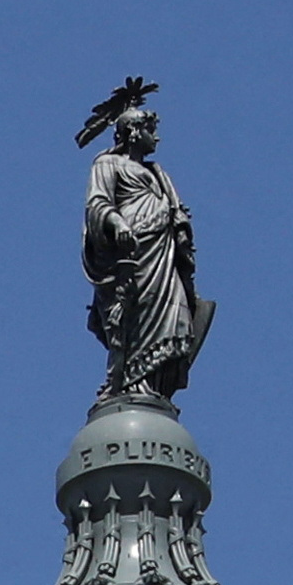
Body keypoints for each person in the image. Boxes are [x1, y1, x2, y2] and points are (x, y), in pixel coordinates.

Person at [76, 76, 214, 402]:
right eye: (152, 129)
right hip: (133, 253)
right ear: (135, 131)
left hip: (162, 256)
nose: (157, 137)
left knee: (174, 314)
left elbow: (175, 210)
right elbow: (98, 202)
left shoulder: (158, 173)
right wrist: (118, 223)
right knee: (130, 318)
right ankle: (123, 384)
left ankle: (153, 387)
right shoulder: (107, 163)